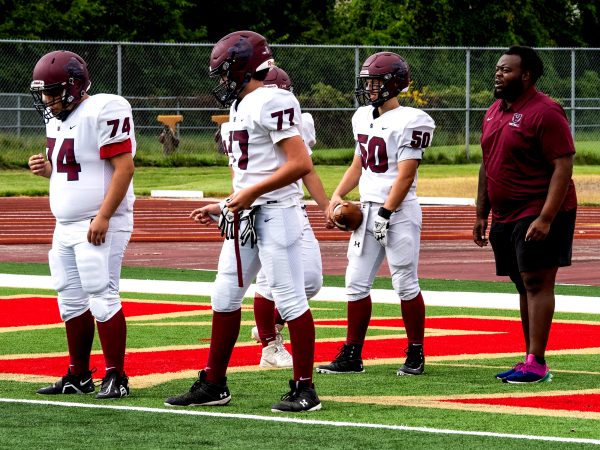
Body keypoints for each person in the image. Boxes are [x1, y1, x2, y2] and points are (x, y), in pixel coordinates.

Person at [164, 31, 321, 412]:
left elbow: (300, 164)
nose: (221, 81)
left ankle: (305, 388)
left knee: (291, 298)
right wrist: (227, 203)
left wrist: (249, 195)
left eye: (224, 73)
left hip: (276, 213)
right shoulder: (241, 106)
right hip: (245, 215)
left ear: (241, 68)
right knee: (223, 297)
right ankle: (214, 382)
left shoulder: (272, 98)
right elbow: (250, 174)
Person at [316, 52, 434, 376]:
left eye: (375, 82)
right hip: (367, 210)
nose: (369, 88)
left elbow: (405, 175)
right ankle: (352, 354)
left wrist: (386, 212)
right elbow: (359, 163)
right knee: (354, 282)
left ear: (394, 84)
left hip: (399, 211)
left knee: (405, 282)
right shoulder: (361, 117)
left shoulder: (412, 120)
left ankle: (415, 353)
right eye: (367, 81)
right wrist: (338, 194)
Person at [27, 50, 135, 399]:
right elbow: (74, 168)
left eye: (53, 92)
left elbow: (124, 168)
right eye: (44, 92)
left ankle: (116, 376)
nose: (47, 100)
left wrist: (103, 215)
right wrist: (47, 170)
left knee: (102, 294)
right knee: (70, 298)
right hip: (66, 223)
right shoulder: (56, 119)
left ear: (74, 86)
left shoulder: (104, 108)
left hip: (99, 220)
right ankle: (78, 375)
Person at [473, 45, 577, 384]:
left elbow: (563, 165)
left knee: (536, 281)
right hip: (505, 214)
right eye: (498, 69)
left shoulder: (546, 111)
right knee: (522, 283)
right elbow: (486, 164)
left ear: (526, 75)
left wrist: (546, 217)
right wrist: (481, 213)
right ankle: (528, 357)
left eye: (507, 70)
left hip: (539, 210)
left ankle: (537, 362)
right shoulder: (493, 112)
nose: (498, 74)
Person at [249, 66, 328, 369]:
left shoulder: (298, 121)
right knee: (267, 282)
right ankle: (270, 343)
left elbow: (305, 167)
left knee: (310, 280)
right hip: (264, 205)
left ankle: (270, 327)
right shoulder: (244, 116)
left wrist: (325, 206)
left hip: (292, 205)